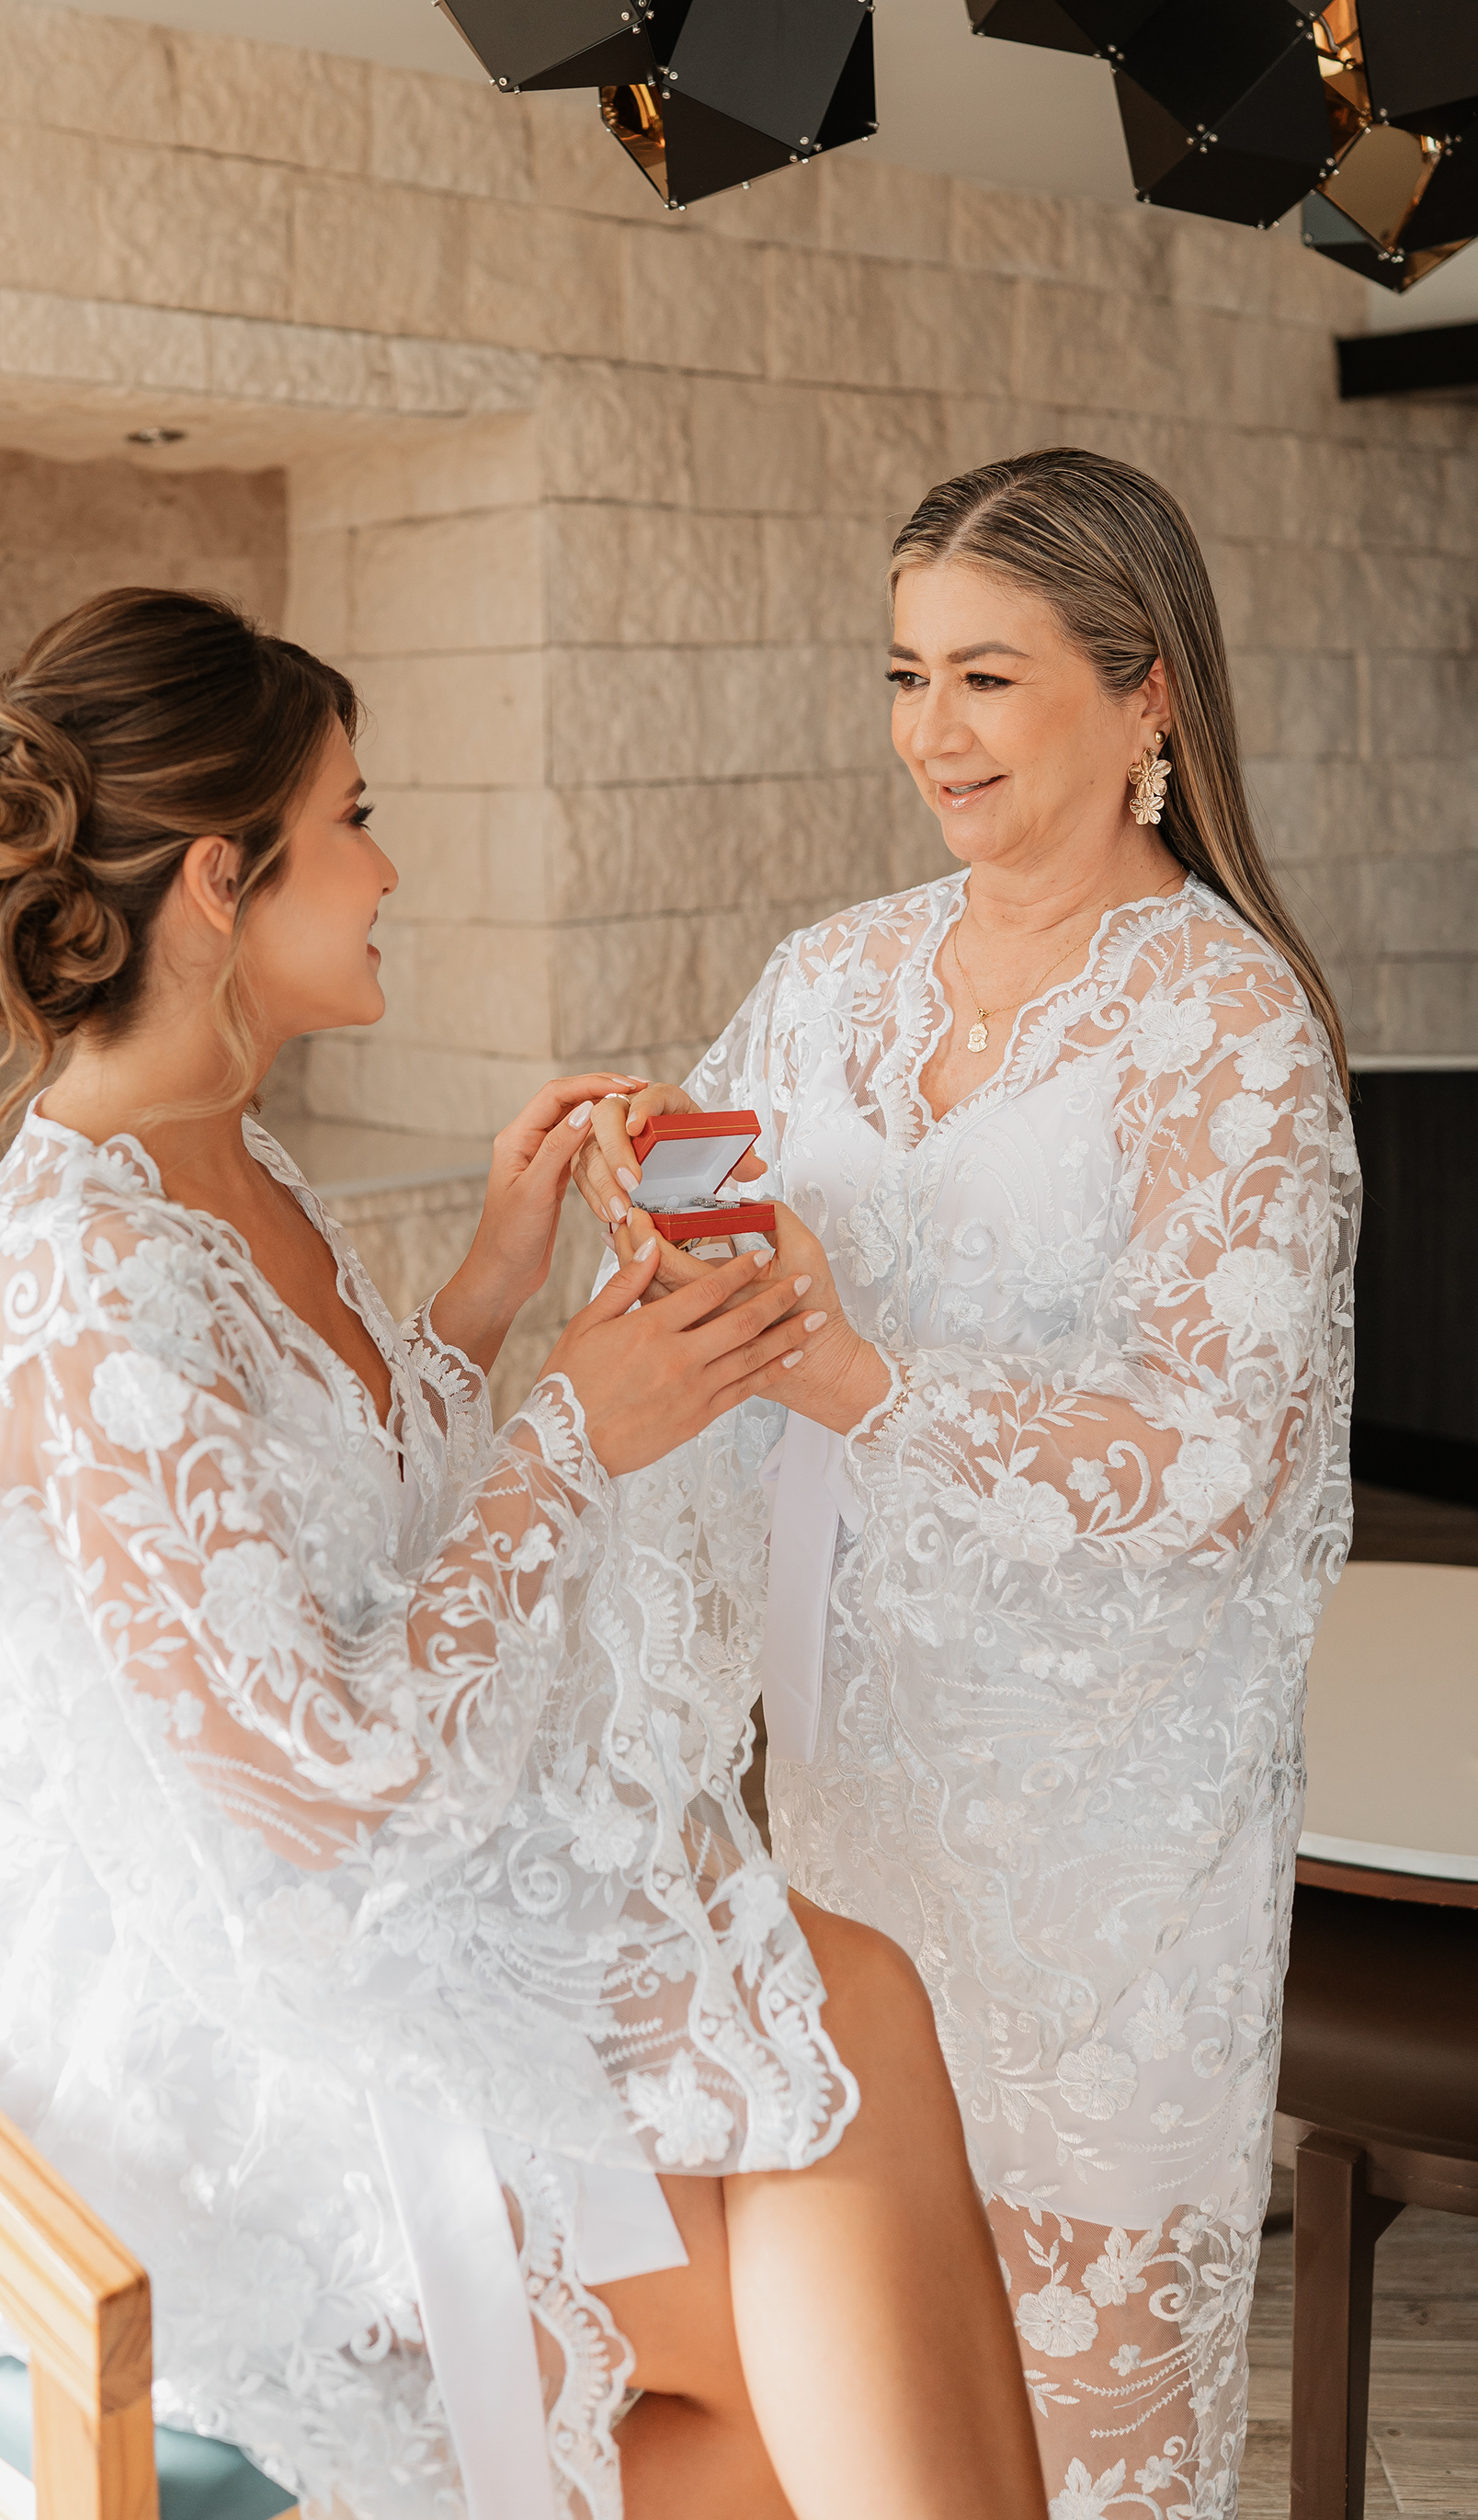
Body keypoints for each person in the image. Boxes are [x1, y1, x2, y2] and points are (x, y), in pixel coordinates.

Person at [0, 587, 1045, 2520]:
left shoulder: (215, 1149)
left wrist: (489, 1286)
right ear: (222, 881)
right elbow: (323, 1789)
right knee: (796, 2250)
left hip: (336, 1904)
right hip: (182, 2006)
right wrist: (575, 1427)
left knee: (854, 2012)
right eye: (356, 818)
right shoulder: (90, 1279)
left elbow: (319, 1515)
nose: (390, 866)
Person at [573, 450, 1359, 2520]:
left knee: (1082, 2446)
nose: (934, 732)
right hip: (857, 1810)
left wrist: (856, 1374)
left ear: (1147, 691)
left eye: (989, 677)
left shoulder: (1232, 1027)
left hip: (1113, 1848)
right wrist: (665, 1206)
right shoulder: (833, 975)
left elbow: (1223, 1458)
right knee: (860, 2425)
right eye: (907, 675)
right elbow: (731, 1266)